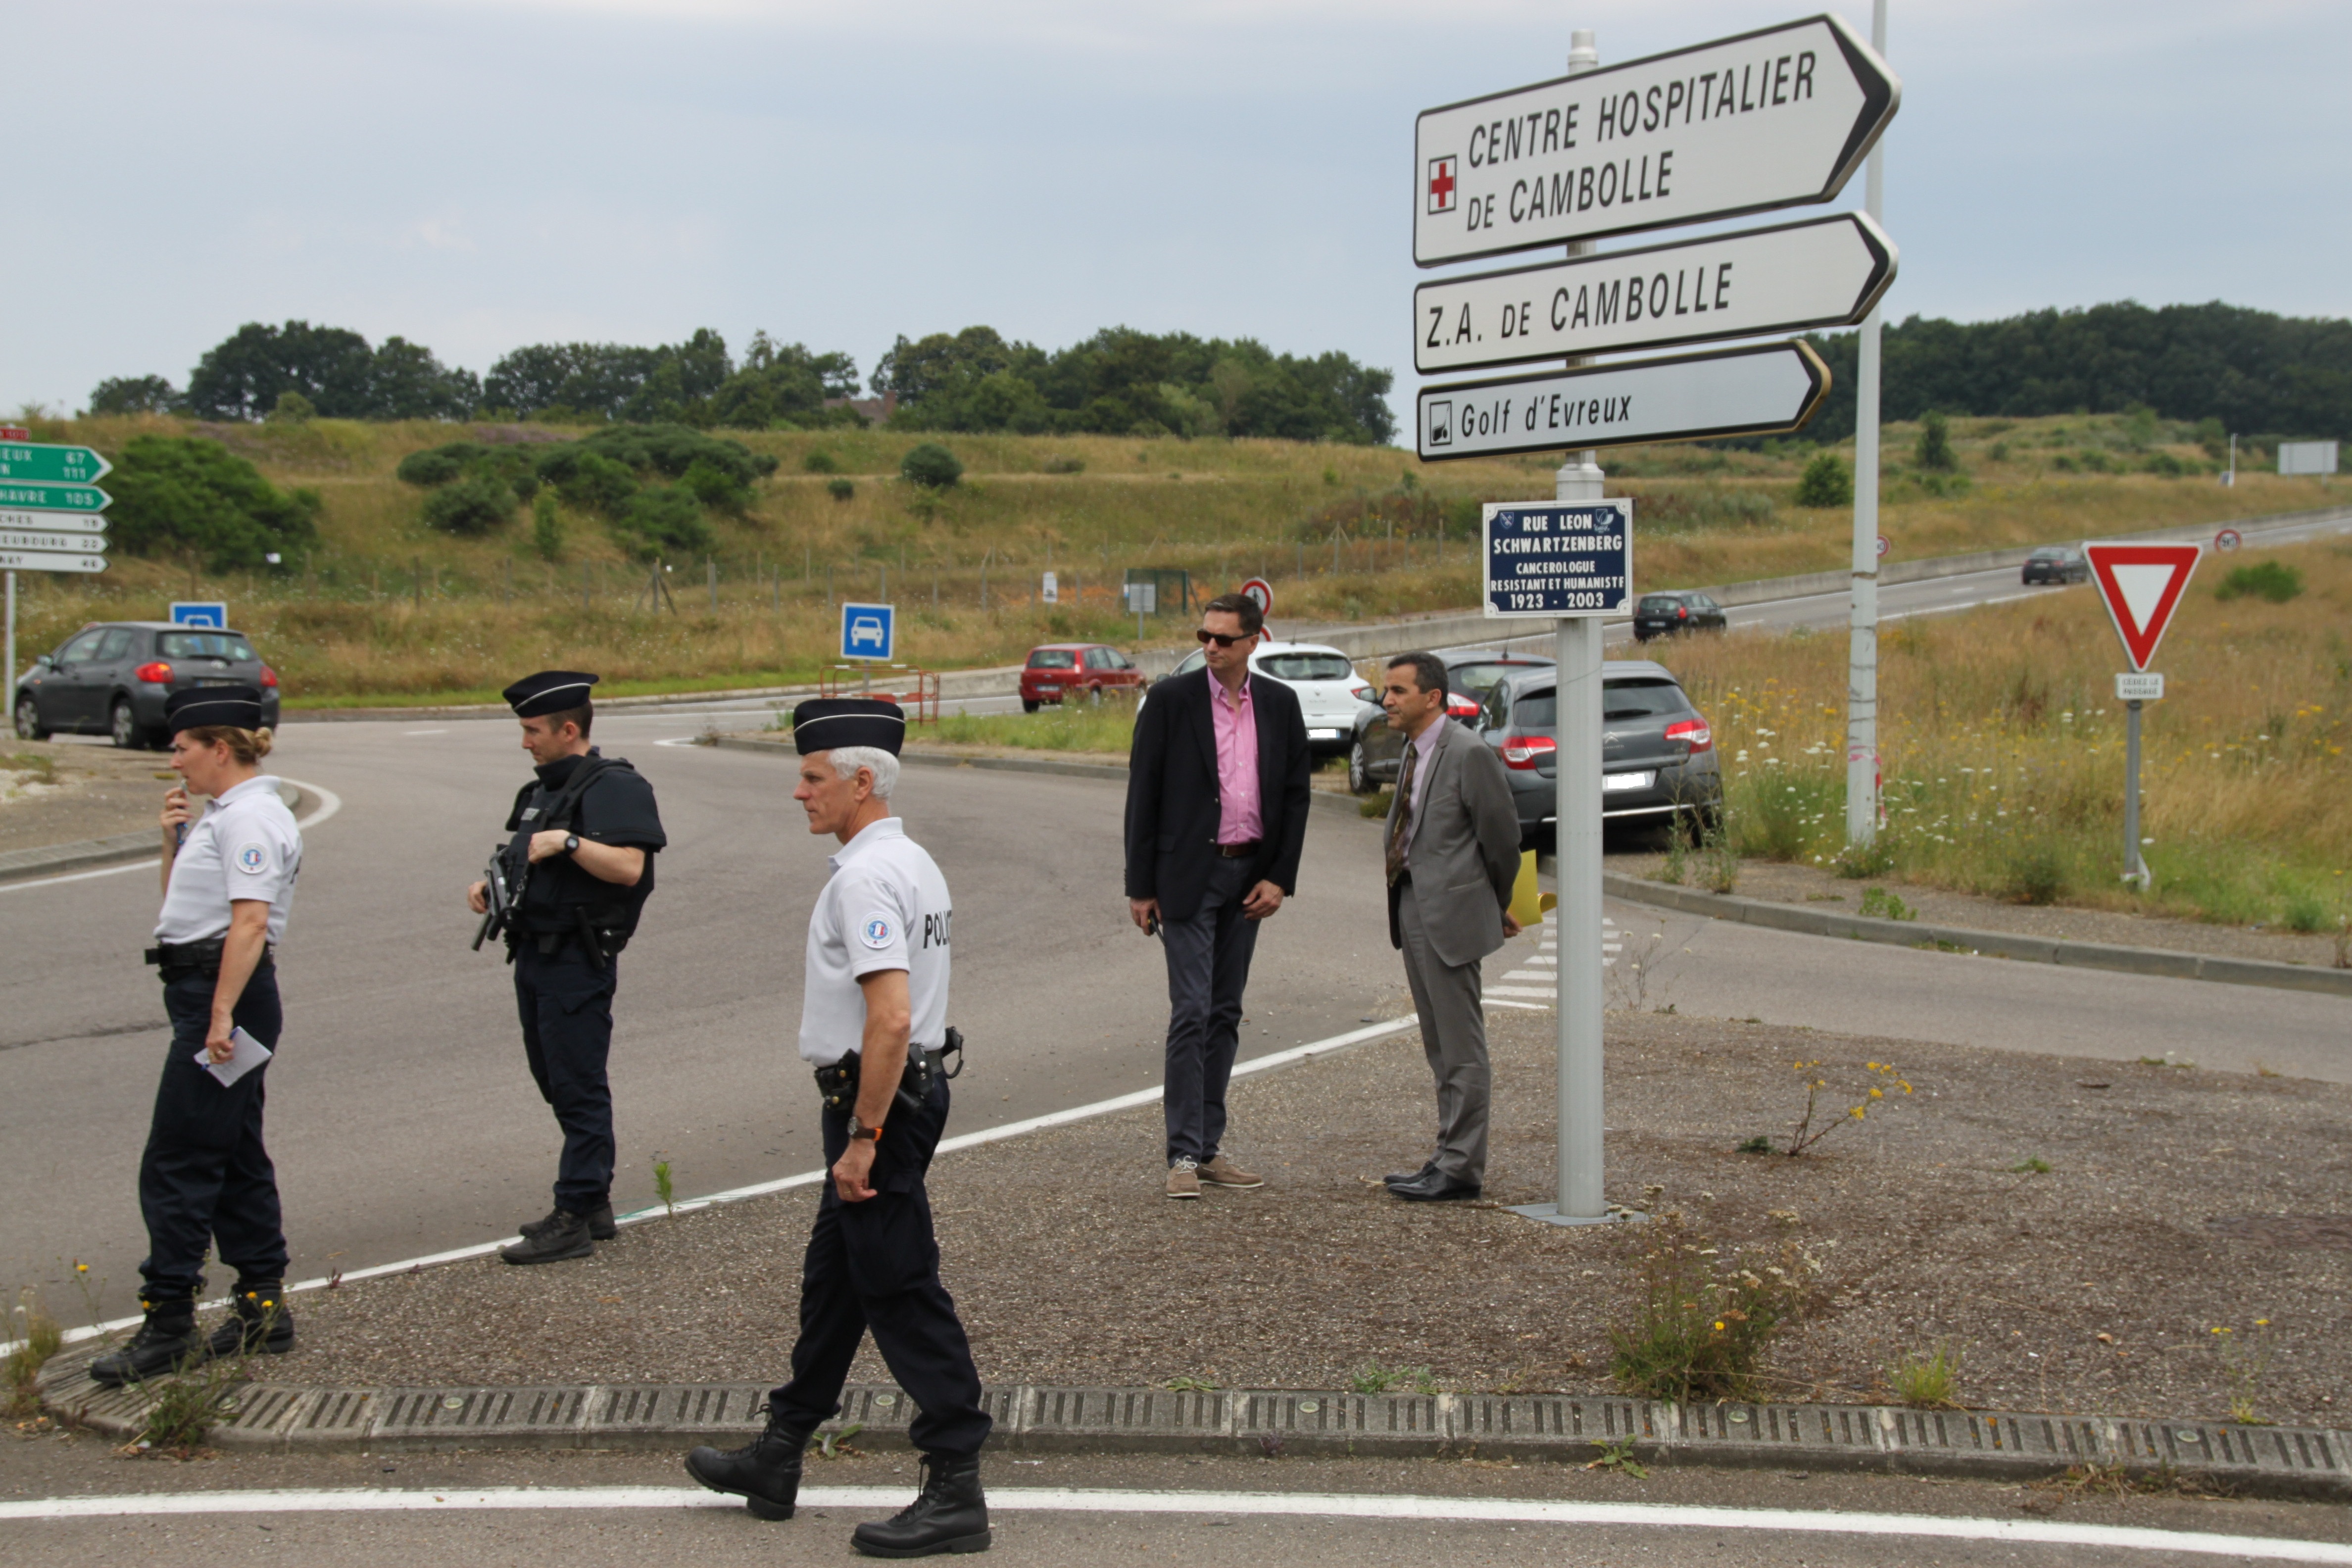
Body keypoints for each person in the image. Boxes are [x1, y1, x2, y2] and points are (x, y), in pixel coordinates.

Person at [685, 697, 992, 1558]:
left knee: (897, 1283)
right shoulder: (913, 861)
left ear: (862, 781)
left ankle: (956, 1478)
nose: (799, 791)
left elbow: (889, 1018)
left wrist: (863, 1134)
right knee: (838, 1281)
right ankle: (780, 1451)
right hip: (901, 1092)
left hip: (879, 1100)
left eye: (812, 777)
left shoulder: (863, 877)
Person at [92, 687, 303, 1387]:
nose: (173, 759)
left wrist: (219, 1018)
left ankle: (169, 1322)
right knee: (234, 1151)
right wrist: (170, 839)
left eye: (181, 747)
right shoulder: (223, 818)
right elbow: (178, 915)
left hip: (225, 997)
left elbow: (247, 924)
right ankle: (262, 1307)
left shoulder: (252, 819)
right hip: (208, 988)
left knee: (178, 1159)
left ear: (220, 748)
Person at [466, 671, 666, 1266]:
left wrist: (571, 845)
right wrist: (490, 886)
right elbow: (523, 858)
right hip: (535, 953)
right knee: (554, 1078)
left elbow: (629, 868)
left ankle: (575, 1211)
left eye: (532, 731)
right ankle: (594, 1200)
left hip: (577, 958)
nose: (526, 742)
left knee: (577, 1084)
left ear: (569, 728)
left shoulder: (615, 787)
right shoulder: (545, 792)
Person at [1123, 591, 1311, 1200]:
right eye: (1204, 636)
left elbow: (1295, 794)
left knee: (1226, 1011)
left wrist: (1278, 876)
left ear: (1255, 642)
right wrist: (1140, 886)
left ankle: (1209, 1149)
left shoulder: (1280, 705)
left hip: (1248, 876)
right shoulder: (1172, 701)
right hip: (1187, 877)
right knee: (1193, 1010)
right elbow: (1143, 793)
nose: (1210, 647)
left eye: (1224, 639)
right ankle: (1182, 1153)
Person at [1376, 652, 1522, 1202]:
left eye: (1397, 691)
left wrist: (1494, 902)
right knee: (1440, 1045)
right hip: (1413, 905)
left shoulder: (1468, 753)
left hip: (1452, 914)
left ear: (1432, 697)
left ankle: (1461, 1169)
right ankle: (1445, 1156)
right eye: (1386, 690)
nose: (1386, 700)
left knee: (1462, 1047)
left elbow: (1502, 840)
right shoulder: (1417, 751)